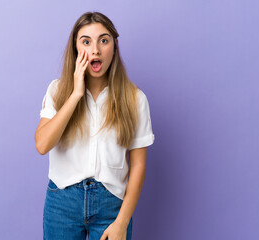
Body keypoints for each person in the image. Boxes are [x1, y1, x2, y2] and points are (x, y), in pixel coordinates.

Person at [35, 11, 155, 240]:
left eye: (104, 40)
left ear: (115, 46)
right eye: (86, 42)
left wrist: (122, 222)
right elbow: (42, 144)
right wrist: (75, 95)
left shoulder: (135, 98)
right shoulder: (57, 90)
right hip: (62, 202)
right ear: (75, 48)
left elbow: (138, 165)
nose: (95, 50)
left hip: (111, 204)